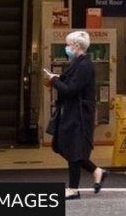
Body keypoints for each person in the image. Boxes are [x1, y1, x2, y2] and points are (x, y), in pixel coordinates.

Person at [43, 30, 108, 200]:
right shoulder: (79, 63)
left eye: (68, 45)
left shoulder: (84, 66)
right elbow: (71, 82)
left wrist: (54, 80)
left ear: (76, 46)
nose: (67, 48)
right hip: (73, 112)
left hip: (79, 114)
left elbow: (71, 89)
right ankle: (96, 171)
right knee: (67, 147)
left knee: (73, 149)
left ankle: (73, 188)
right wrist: (57, 78)